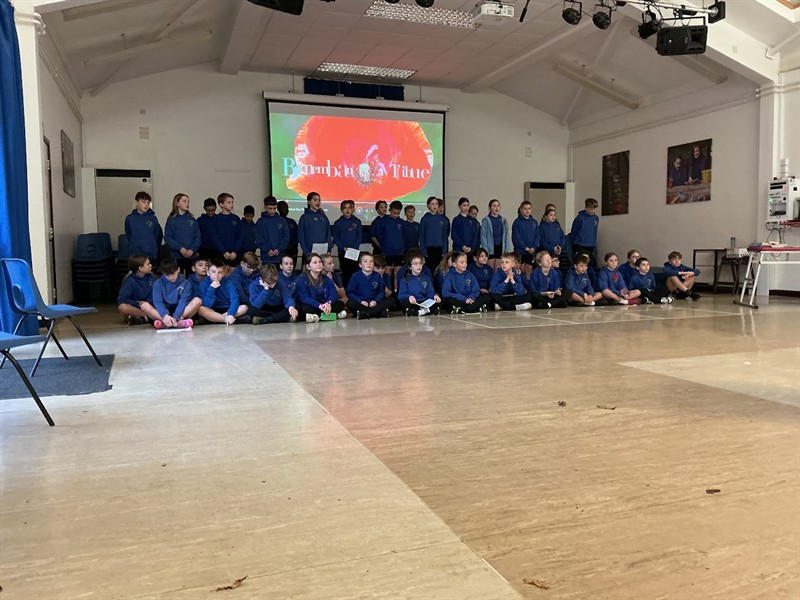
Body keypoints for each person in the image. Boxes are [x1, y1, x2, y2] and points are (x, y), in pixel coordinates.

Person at [295, 253, 346, 323]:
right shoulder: (301, 280)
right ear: (308, 267)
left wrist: (328, 303)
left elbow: (334, 294)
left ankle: (316, 317)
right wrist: (319, 305)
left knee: (340, 303)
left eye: (320, 262)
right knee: (304, 308)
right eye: (315, 263)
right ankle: (333, 315)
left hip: (325, 304)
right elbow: (304, 298)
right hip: (313, 305)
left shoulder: (327, 279)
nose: (318, 264)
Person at [197, 258, 250, 324]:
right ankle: (225, 319)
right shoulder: (203, 284)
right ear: (208, 273)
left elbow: (234, 299)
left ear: (223, 273)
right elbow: (207, 305)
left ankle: (216, 319)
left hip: (227, 309)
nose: (216, 275)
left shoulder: (229, 282)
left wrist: (230, 313)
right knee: (201, 309)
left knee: (244, 307)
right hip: (212, 309)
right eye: (213, 272)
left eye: (220, 272)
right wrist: (212, 289)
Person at [151, 258, 200, 329]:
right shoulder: (158, 283)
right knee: (144, 306)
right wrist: (165, 315)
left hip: (181, 312)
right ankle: (172, 323)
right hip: (163, 312)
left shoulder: (186, 283)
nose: (170, 277)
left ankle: (170, 323)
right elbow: (158, 302)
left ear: (178, 270)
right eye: (167, 275)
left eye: (172, 273)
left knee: (197, 301)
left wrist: (175, 316)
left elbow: (183, 301)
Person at [346, 252, 394, 319]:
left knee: (391, 301)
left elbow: (381, 292)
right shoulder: (355, 276)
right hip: (361, 303)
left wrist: (375, 301)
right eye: (365, 261)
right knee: (350, 303)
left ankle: (366, 314)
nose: (368, 263)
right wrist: (360, 301)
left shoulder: (377, 276)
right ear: (360, 265)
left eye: (371, 261)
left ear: (373, 264)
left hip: (374, 303)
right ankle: (377, 313)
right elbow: (350, 292)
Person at [117, 255, 161, 325]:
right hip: (138, 307)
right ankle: (149, 317)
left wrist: (148, 302)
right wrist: (138, 303)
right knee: (122, 307)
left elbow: (158, 294)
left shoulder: (152, 278)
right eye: (148, 264)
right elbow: (122, 299)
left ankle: (144, 319)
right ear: (140, 268)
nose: (151, 265)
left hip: (151, 306)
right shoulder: (129, 281)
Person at [164, 192, 200, 274]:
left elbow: (198, 237)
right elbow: (168, 237)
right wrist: (180, 248)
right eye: (184, 201)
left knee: (191, 278)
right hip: (176, 256)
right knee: (177, 277)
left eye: (188, 201)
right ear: (177, 203)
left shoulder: (192, 220)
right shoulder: (171, 220)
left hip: (191, 255)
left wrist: (192, 249)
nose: (187, 203)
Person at [124, 191, 163, 266]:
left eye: (148, 203)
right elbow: (128, 234)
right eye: (143, 202)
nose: (146, 205)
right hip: (136, 253)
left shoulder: (153, 218)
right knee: (137, 272)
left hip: (151, 253)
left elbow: (157, 235)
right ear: (136, 202)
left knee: (151, 272)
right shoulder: (130, 218)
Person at [332, 199, 362, 287]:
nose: (347, 210)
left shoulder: (357, 221)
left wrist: (354, 247)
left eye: (349, 208)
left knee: (354, 272)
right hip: (343, 252)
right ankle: (345, 290)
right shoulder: (338, 223)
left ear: (353, 209)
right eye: (345, 208)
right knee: (345, 273)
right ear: (341, 210)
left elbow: (359, 236)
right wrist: (343, 247)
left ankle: (354, 290)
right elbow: (336, 237)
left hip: (354, 252)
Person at [255, 195, 290, 266]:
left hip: (280, 257)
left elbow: (286, 237)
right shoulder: (260, 222)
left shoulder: (282, 221)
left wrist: (279, 249)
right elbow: (259, 238)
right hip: (266, 258)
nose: (272, 211)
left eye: (274, 208)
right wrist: (267, 249)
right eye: (270, 208)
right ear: (265, 207)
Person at [297, 191, 331, 262]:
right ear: (309, 202)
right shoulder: (304, 218)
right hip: (309, 253)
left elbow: (328, 234)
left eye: (319, 200)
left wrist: (329, 250)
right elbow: (301, 237)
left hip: (323, 253)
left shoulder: (324, 217)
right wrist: (306, 252)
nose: (318, 202)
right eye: (315, 200)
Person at [419, 196, 450, 274]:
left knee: (439, 271)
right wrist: (424, 251)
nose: (434, 206)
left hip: (439, 249)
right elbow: (421, 236)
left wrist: (444, 250)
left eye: (436, 204)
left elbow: (444, 236)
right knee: (430, 270)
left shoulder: (442, 219)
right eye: (432, 204)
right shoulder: (425, 219)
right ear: (428, 206)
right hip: (429, 249)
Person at [480, 199, 510, 270]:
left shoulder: (503, 220)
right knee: (490, 268)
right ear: (490, 208)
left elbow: (506, 236)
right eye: (494, 206)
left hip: (500, 248)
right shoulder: (486, 220)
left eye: (498, 206)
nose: (496, 208)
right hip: (490, 248)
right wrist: (485, 251)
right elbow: (483, 236)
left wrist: (507, 250)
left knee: (498, 269)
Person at [214, 192, 243, 266]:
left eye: (232, 202)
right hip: (221, 253)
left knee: (234, 271)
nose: (232, 204)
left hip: (234, 253)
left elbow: (240, 236)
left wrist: (235, 251)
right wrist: (224, 251)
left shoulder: (236, 218)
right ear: (221, 204)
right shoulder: (216, 219)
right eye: (229, 202)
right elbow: (215, 238)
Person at [512, 200, 539, 277]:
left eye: (529, 208)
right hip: (521, 250)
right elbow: (516, 237)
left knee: (529, 268)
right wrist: (524, 247)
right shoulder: (517, 222)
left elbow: (537, 236)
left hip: (531, 251)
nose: (527, 210)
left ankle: (528, 283)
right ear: (521, 210)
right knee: (521, 268)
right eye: (525, 208)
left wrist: (534, 247)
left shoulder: (534, 222)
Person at [570, 198, 599, 268]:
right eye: (590, 209)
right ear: (586, 208)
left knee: (591, 264)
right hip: (580, 244)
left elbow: (594, 231)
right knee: (580, 263)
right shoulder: (580, 218)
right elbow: (574, 231)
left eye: (594, 209)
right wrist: (572, 243)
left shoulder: (596, 218)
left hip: (591, 245)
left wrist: (593, 243)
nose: (592, 211)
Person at [379, 200, 406, 267]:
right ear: (390, 210)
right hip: (387, 251)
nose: (396, 215)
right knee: (387, 269)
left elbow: (404, 236)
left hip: (399, 251)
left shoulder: (402, 222)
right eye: (394, 213)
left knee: (398, 270)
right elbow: (380, 236)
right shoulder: (384, 221)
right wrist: (383, 248)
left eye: (398, 213)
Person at [276, 200, 299, 267]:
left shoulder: (292, 221)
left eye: (287, 208)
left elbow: (296, 236)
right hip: (280, 250)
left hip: (292, 250)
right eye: (283, 207)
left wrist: (293, 245)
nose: (286, 210)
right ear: (278, 209)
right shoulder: (276, 221)